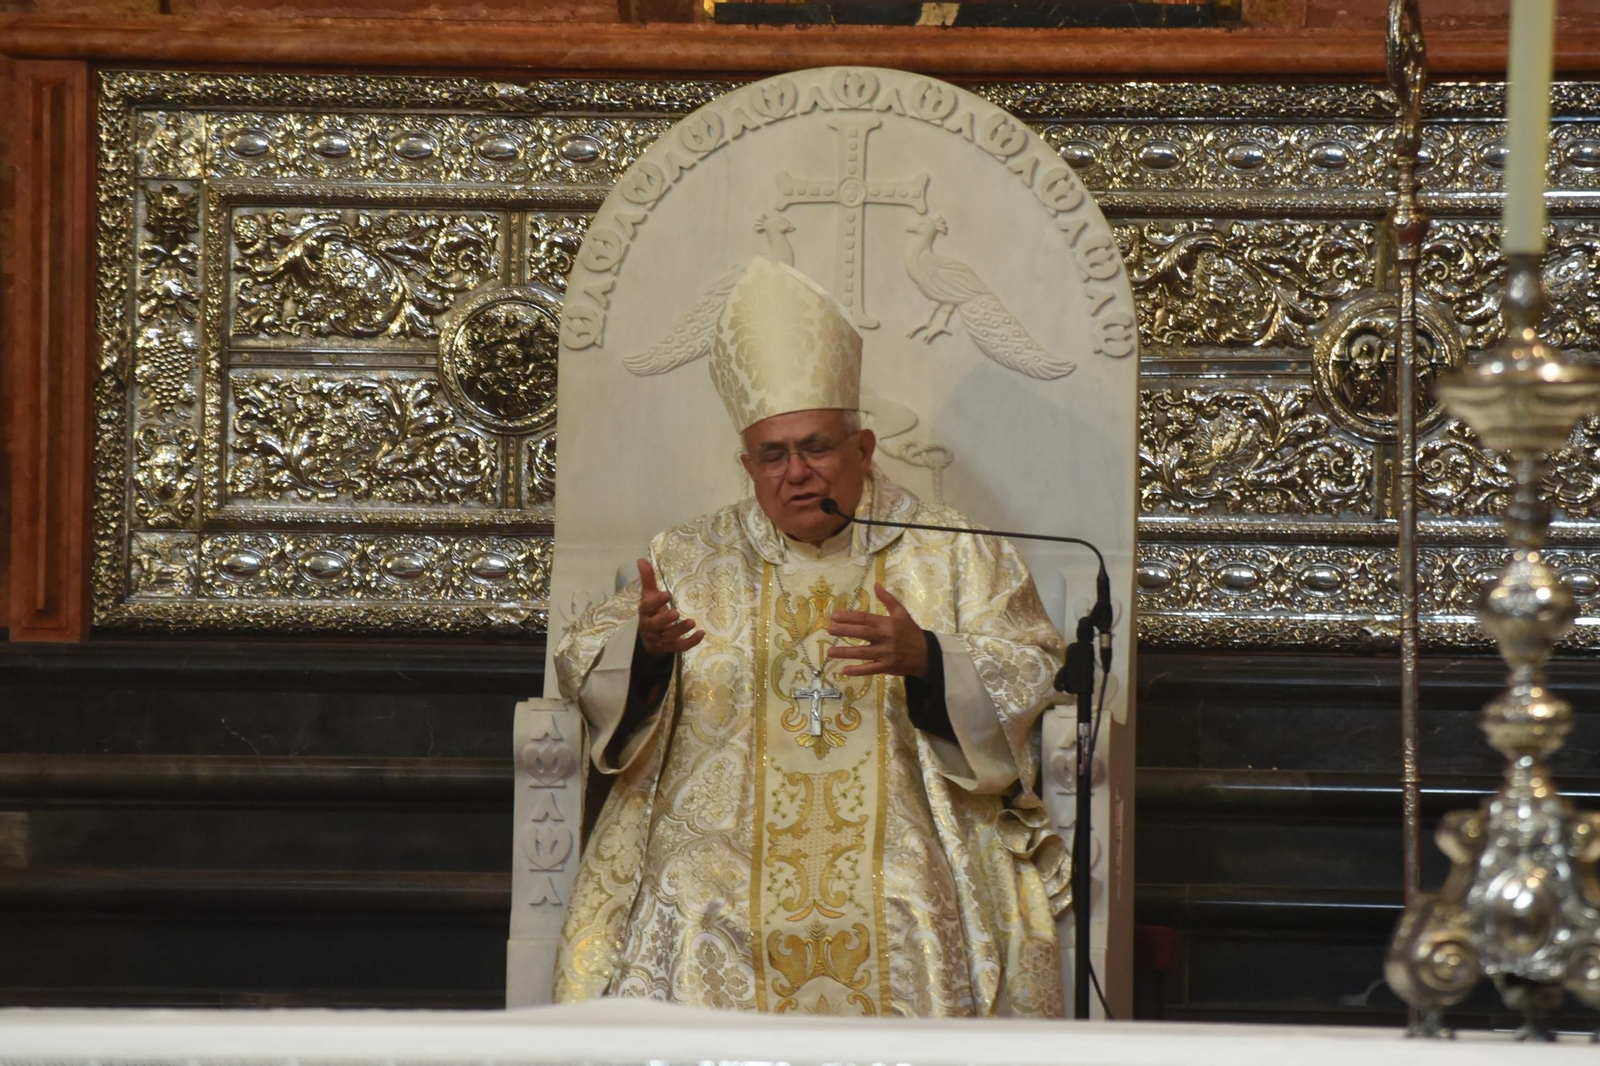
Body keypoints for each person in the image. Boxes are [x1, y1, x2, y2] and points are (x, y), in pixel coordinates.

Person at [552, 256, 1069, 1016]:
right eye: (773, 455)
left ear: (863, 451)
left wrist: (929, 659)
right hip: (720, 841)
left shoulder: (953, 549)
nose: (796, 473)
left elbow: (1031, 662)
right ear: (749, 466)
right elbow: (580, 659)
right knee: (691, 896)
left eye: (817, 448)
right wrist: (645, 651)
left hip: (905, 829)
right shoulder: (688, 557)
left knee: (907, 896)